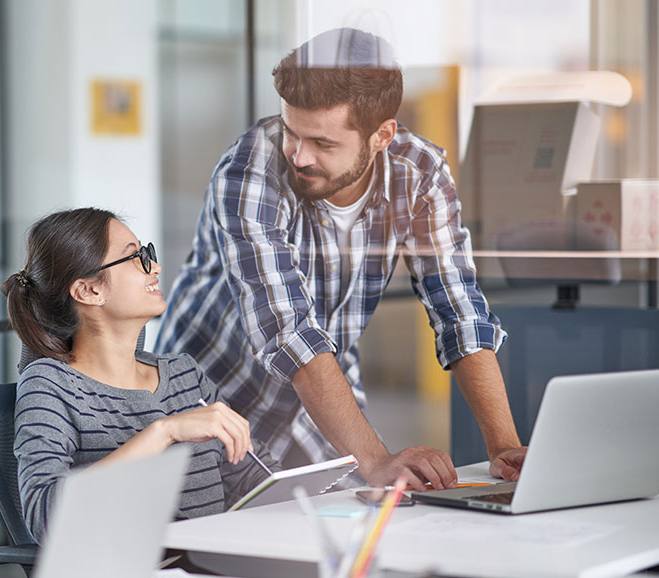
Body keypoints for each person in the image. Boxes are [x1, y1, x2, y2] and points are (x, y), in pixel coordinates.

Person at [155, 27, 527, 491]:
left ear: (382, 136)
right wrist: (374, 460)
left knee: (354, 540)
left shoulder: (419, 174)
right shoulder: (252, 169)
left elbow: (460, 312)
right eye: (292, 133)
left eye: (324, 144)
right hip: (207, 401)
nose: (300, 155)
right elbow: (290, 333)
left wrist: (505, 450)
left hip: (319, 411)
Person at [3, 208, 279, 542]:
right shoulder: (50, 385)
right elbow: (45, 517)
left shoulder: (184, 375)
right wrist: (164, 432)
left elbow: (257, 477)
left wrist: (310, 496)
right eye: (136, 258)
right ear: (88, 291)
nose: (156, 267)